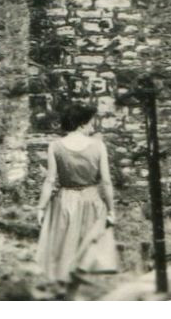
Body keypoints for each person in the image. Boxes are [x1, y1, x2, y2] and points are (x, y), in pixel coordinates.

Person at [36, 101, 121, 290]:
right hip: (92, 201)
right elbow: (105, 181)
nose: (92, 127)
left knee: (65, 254)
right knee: (88, 255)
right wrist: (111, 210)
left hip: (65, 201)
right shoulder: (98, 146)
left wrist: (41, 207)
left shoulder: (55, 146)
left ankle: (67, 294)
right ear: (81, 124)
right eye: (90, 123)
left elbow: (50, 180)